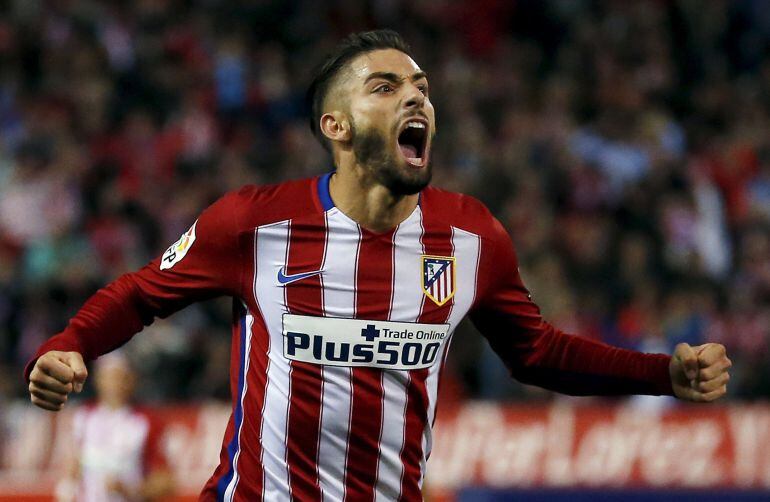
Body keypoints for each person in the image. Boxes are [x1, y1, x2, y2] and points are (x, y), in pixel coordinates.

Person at [26, 30, 732, 501]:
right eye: (387, 86)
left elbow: (537, 353)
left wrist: (660, 373)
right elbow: (140, 293)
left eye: (421, 85)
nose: (418, 96)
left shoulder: (472, 235)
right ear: (336, 127)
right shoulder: (253, 222)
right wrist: (71, 344)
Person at [54, 352, 174, 502]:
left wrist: (131, 490)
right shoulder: (83, 417)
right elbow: (72, 466)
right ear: (98, 380)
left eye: (120, 377)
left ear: (131, 380)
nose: (114, 384)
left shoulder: (145, 422)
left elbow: (167, 481)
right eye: (109, 377)